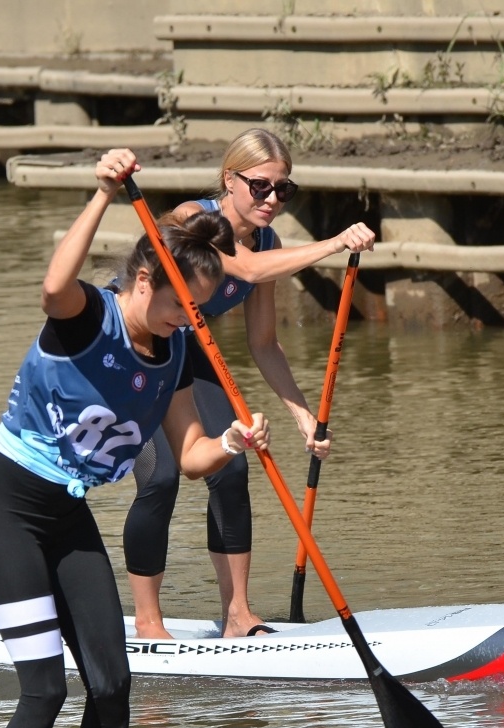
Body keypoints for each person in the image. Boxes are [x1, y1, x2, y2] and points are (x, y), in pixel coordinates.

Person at [0, 148, 271, 728]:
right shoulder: (88, 317)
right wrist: (101, 195)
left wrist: (232, 441)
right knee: (44, 690)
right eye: (178, 305)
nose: (186, 320)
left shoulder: (170, 357)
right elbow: (51, 284)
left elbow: (190, 452)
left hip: (66, 518)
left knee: (112, 682)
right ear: (142, 281)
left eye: (196, 310)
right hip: (4, 508)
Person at [121, 128, 377, 639]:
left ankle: (238, 616)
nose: (272, 200)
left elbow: (263, 343)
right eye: (260, 186)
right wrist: (333, 242)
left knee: (232, 464)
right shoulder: (195, 220)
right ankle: (149, 624)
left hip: (186, 343)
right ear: (229, 179)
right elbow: (245, 270)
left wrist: (302, 414)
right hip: (136, 342)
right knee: (163, 477)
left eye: (284, 190)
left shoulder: (268, 241)